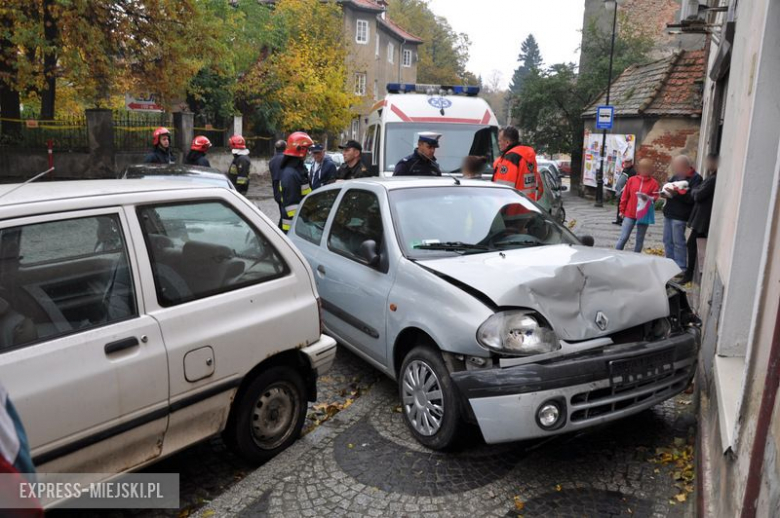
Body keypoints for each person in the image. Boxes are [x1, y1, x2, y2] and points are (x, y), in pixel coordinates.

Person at [681, 154, 718, 284]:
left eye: (709, 162)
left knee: (691, 244)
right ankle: (691, 273)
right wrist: (695, 191)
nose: (707, 164)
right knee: (694, 244)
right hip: (700, 216)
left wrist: (695, 191)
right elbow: (696, 191)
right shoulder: (710, 177)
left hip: (703, 218)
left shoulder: (713, 179)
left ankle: (689, 274)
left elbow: (697, 194)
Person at [662, 155, 703, 270]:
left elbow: (692, 199)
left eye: (676, 166)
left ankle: (680, 267)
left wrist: (677, 194)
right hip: (669, 213)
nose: (675, 168)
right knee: (667, 241)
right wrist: (664, 193)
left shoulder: (696, 178)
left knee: (678, 242)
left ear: (685, 165)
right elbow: (668, 190)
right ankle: (669, 265)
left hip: (680, 216)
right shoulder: (676, 176)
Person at [616, 158, 660, 252]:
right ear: (639, 169)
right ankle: (616, 254)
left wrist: (648, 198)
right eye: (643, 168)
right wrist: (622, 210)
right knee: (623, 237)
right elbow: (625, 196)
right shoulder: (632, 180)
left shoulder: (654, 183)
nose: (644, 170)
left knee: (639, 240)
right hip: (629, 213)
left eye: (647, 168)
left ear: (650, 169)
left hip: (643, 215)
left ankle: (636, 258)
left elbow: (655, 197)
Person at [491, 126, 542, 200]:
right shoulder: (527, 157)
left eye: (500, 141)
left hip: (513, 207)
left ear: (507, 142)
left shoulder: (511, 158)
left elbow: (504, 190)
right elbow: (539, 188)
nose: (498, 143)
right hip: (529, 205)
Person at [278, 132, 313, 233]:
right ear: (300, 149)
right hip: (292, 228)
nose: (308, 153)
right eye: (307, 149)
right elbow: (292, 207)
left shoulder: (298, 170)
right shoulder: (290, 174)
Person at [612, 158, 637, 225]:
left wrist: (625, 189)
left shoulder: (632, 171)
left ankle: (623, 220)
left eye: (627, 162)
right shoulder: (625, 169)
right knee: (620, 205)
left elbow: (630, 182)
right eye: (625, 162)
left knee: (625, 205)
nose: (625, 163)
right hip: (621, 190)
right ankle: (618, 219)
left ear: (631, 163)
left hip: (626, 190)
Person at [269, 139, 287, 228]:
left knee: (281, 210)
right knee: (286, 214)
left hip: (276, 190)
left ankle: (280, 229)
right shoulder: (286, 159)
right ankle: (280, 231)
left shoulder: (272, 160)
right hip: (285, 189)